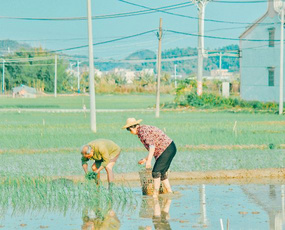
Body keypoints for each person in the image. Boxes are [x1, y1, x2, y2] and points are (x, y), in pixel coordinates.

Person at [123, 118, 177, 198]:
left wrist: (149, 161)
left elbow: (152, 146)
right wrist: (145, 159)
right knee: (162, 173)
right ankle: (170, 192)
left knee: (155, 172)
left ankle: (155, 195)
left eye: (129, 130)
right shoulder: (143, 129)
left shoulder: (142, 131)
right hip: (170, 147)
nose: (131, 132)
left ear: (131, 128)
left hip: (166, 149)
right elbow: (153, 147)